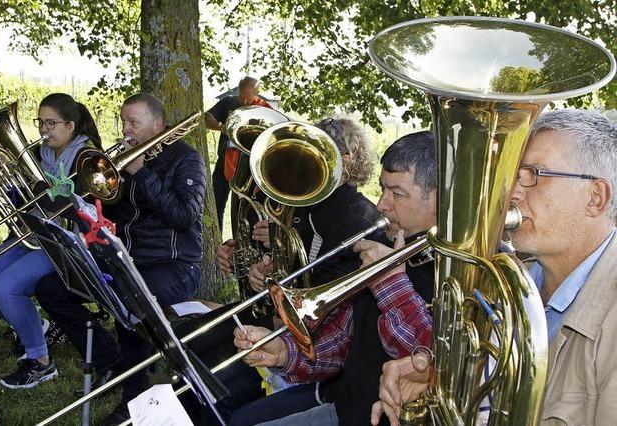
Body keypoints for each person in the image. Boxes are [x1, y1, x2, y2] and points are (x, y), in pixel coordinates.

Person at [371, 109, 617, 426]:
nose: (512, 192)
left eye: (534, 176)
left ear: (595, 197)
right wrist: (438, 380)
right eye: (515, 174)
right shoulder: (509, 281)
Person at [183, 117, 387, 425]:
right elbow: (278, 263)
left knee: (212, 367)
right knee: (189, 341)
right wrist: (247, 261)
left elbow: (319, 302)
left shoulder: (358, 220)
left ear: (344, 162)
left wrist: (268, 282)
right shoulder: (303, 204)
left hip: (300, 333)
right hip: (276, 316)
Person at [229, 131, 437, 426]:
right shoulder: (392, 246)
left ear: (439, 198)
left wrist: (390, 281)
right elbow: (343, 341)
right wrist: (285, 353)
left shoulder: (461, 273)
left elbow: (430, 362)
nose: (382, 204)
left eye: (397, 193)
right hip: (347, 410)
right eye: (382, 189)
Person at [36, 93, 207, 425]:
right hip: (124, 259)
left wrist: (141, 172)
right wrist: (95, 193)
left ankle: (135, 400)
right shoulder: (122, 162)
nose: (126, 130)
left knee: (131, 305)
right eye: (123, 121)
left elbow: (184, 216)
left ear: (157, 124)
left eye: (134, 123)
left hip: (173, 264)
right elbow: (111, 213)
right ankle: (108, 358)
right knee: (51, 287)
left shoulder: (186, 159)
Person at [0, 93, 102, 388]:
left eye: (51, 123)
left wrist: (37, 189)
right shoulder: (38, 154)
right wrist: (6, 179)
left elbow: (77, 208)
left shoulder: (87, 159)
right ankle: (31, 325)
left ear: (70, 126)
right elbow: (20, 199)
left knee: (6, 288)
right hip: (33, 236)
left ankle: (41, 360)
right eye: (40, 123)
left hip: (67, 241)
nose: (43, 130)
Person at [205, 76, 266, 230]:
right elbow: (206, 118)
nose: (245, 102)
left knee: (242, 211)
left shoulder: (263, 108)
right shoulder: (228, 102)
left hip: (247, 170)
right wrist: (223, 127)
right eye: (242, 97)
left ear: (257, 93)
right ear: (238, 91)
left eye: (249, 98)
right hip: (224, 163)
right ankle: (217, 239)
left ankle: (240, 243)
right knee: (217, 203)